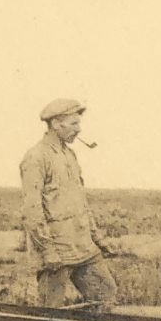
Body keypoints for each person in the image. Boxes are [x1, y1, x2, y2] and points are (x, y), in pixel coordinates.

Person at [20, 98, 118, 309]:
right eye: (73, 124)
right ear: (56, 123)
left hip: (83, 246)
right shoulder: (36, 157)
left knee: (105, 294)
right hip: (57, 251)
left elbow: (80, 202)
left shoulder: (69, 155)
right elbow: (32, 210)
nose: (79, 129)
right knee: (51, 311)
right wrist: (47, 250)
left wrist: (97, 238)